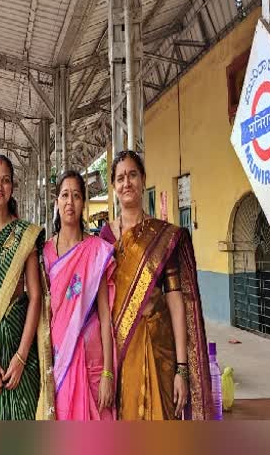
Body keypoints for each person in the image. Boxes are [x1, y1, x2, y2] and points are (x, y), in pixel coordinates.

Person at [98, 150, 213, 420]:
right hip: (120, 349)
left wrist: (181, 369)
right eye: (120, 178)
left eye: (133, 175)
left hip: (160, 344)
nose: (127, 183)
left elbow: (176, 299)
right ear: (113, 187)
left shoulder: (163, 236)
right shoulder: (103, 239)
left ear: (143, 180)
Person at [0, 154, 54, 420]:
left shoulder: (25, 234)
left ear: (12, 186)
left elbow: (35, 296)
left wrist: (22, 357)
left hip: (20, 345)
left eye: (5, 180)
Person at [43, 170, 116, 420]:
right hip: (59, 360)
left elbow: (105, 316)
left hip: (92, 360)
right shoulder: (45, 253)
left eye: (76, 195)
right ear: (56, 203)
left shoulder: (96, 251)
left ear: (83, 202)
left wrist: (108, 372)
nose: (69, 202)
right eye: (64, 195)